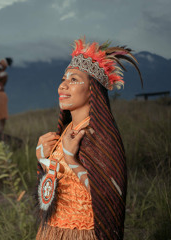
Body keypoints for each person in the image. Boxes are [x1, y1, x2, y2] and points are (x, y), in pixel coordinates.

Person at [35, 37, 142, 240]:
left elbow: (109, 195)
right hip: (51, 230)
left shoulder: (99, 136)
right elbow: (54, 187)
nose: (62, 87)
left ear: (92, 89)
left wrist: (71, 160)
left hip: (84, 233)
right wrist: (42, 159)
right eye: (63, 79)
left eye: (73, 80)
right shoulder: (64, 132)